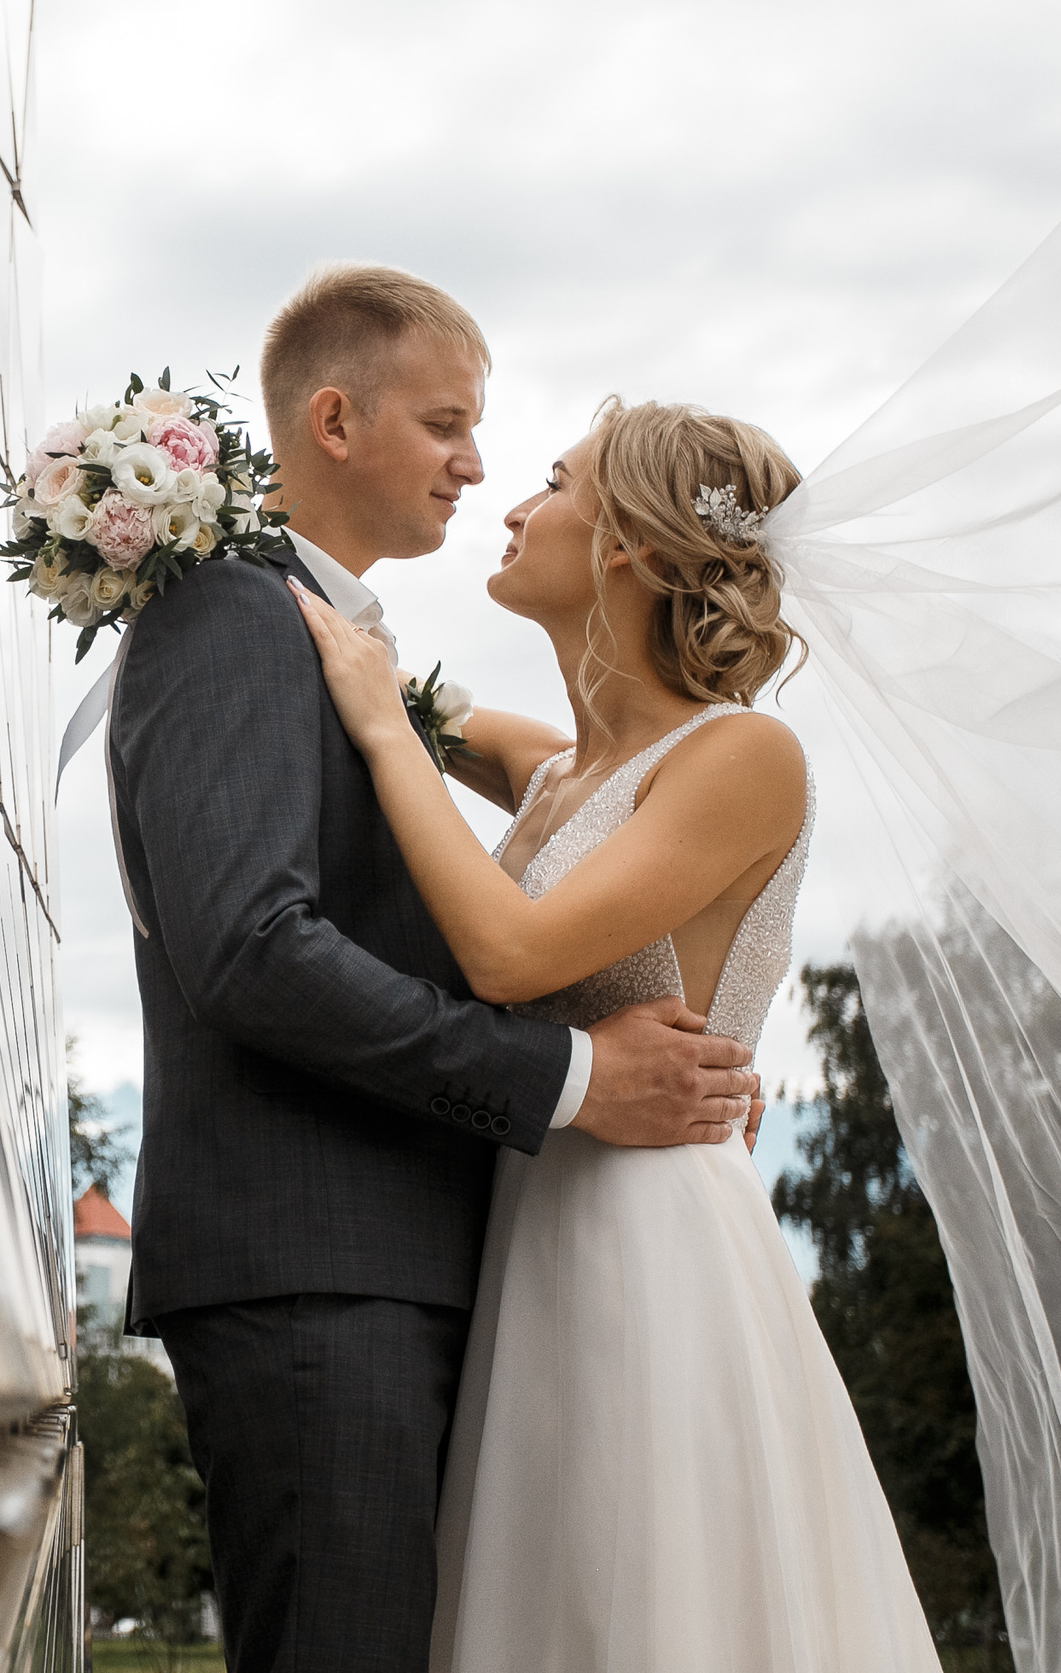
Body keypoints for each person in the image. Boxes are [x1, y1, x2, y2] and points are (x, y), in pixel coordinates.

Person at [109, 265, 764, 1673]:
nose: (483, 471)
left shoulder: (353, 650)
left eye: (524, 459)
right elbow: (252, 948)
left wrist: (391, 689)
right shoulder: (236, 614)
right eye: (453, 425)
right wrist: (582, 1073)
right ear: (334, 420)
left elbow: (562, 775)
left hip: (473, 1257)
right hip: (319, 1259)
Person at [292, 397, 940, 1670]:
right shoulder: (560, 774)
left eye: (555, 481)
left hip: (647, 1239)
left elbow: (510, 952)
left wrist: (380, 729)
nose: (516, 503)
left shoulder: (745, 755)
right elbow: (388, 675)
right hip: (529, 1224)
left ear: (633, 546)